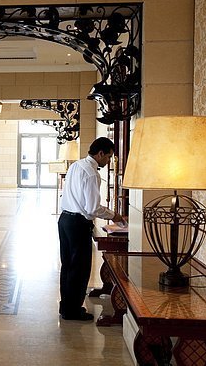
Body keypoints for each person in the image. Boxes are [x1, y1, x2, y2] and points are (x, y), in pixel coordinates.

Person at [58, 137, 124, 321]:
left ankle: (66, 307)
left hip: (65, 220)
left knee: (68, 265)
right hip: (78, 224)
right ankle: (73, 311)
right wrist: (114, 216)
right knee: (79, 268)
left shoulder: (76, 166)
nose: (109, 161)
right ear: (100, 153)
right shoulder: (92, 174)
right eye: (108, 157)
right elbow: (92, 208)